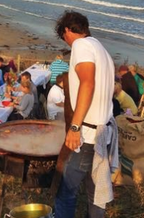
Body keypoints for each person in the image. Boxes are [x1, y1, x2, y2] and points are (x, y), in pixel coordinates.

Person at [53, 11, 118, 218]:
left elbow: (87, 83)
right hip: (103, 133)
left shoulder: (81, 46)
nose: (67, 43)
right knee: (95, 192)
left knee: (66, 191)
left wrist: (74, 127)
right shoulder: (102, 49)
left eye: (64, 38)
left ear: (66, 31)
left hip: (89, 135)